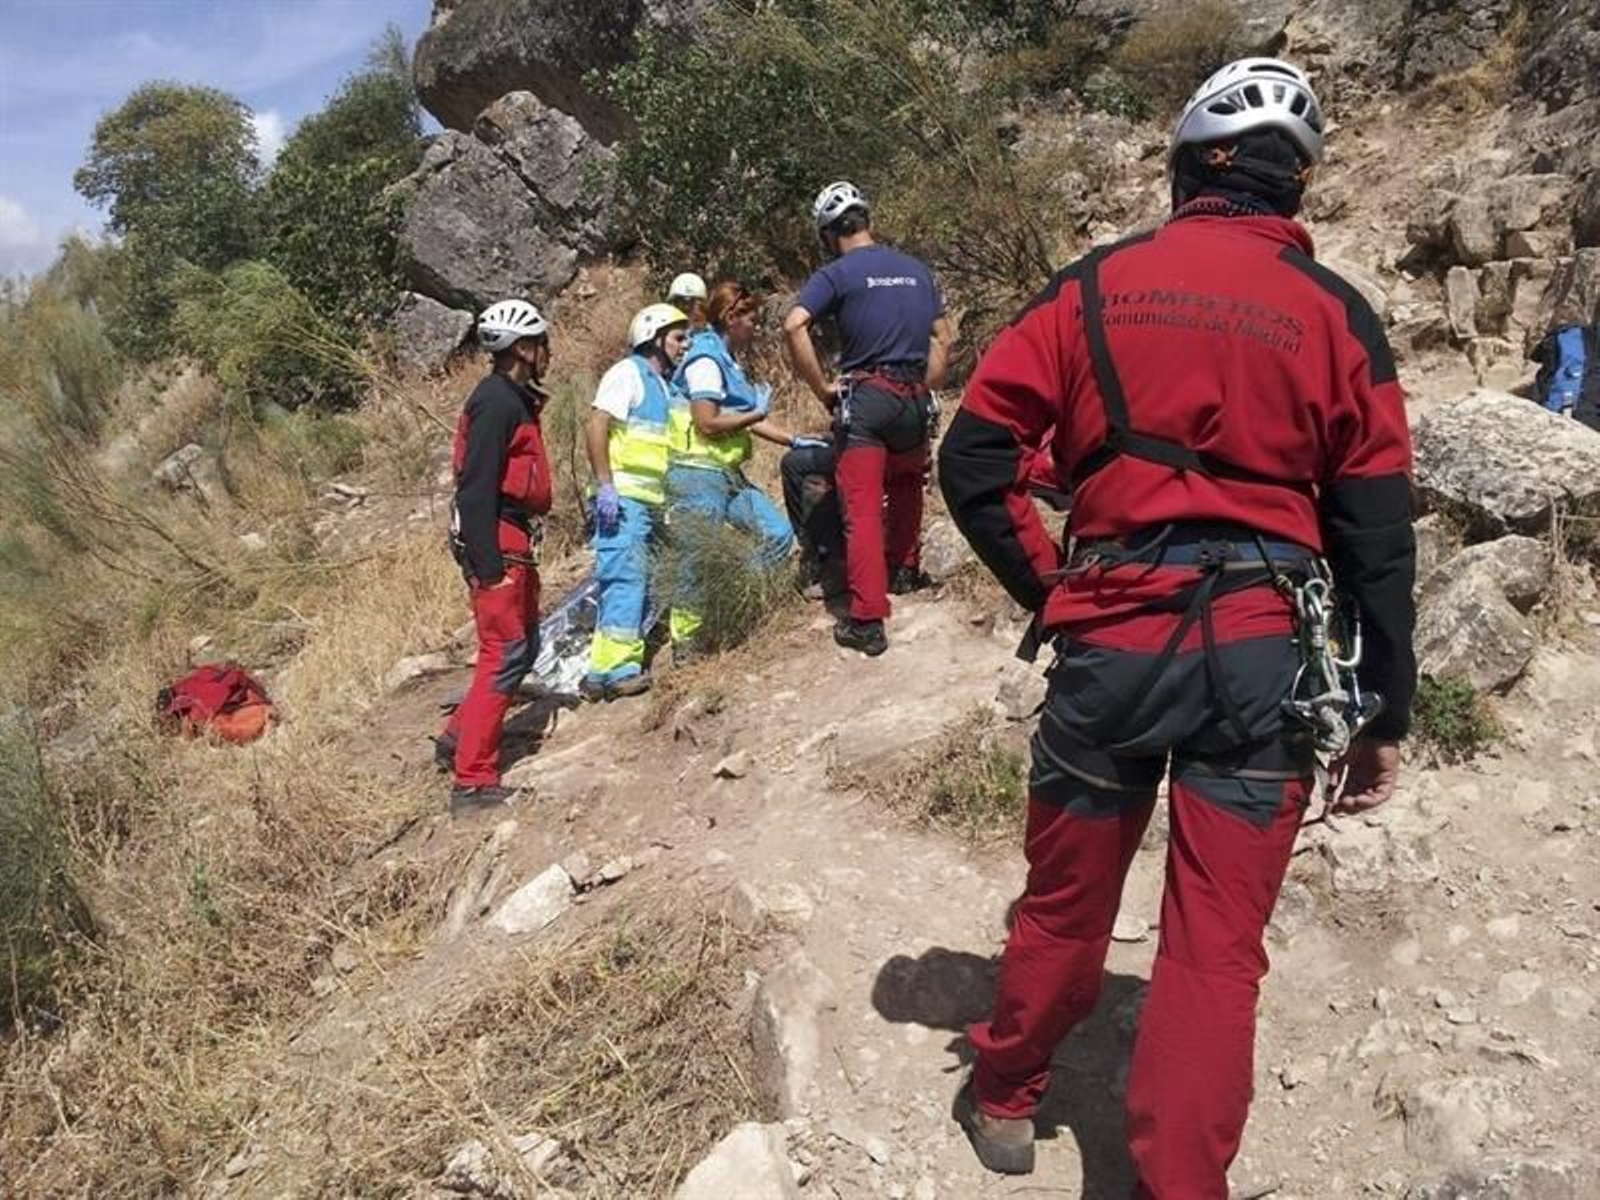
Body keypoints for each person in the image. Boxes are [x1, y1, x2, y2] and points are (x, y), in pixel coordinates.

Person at [937, 58, 1416, 1193]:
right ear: (1292, 187)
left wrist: (1052, 587)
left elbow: (974, 457)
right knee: (1213, 953)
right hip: (1264, 657)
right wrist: (1383, 705)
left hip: (1110, 639)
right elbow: (1377, 534)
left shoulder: (1092, 288)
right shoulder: (1340, 315)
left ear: (1186, 167)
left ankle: (1006, 1094)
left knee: (1067, 899)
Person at [783, 180, 953, 656]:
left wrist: (820, 388)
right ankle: (904, 570)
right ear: (867, 221)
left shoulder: (836, 274)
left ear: (828, 233)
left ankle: (867, 619)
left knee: (860, 508)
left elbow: (794, 323)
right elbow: (945, 337)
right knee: (904, 487)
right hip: (914, 400)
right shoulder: (915, 269)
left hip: (867, 399)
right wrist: (929, 385)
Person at [438, 299, 555, 817]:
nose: (548, 353)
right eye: (542, 344)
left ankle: (456, 739)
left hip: (511, 540)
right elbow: (476, 487)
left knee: (522, 648)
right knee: (504, 653)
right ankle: (473, 781)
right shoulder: (496, 402)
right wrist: (488, 568)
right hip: (498, 545)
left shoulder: (511, 398)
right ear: (522, 350)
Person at [666, 281, 798, 655]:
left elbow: (746, 418)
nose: (755, 327)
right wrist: (756, 412)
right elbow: (707, 421)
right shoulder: (706, 361)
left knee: (777, 533)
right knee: (694, 558)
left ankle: (732, 602)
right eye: (751, 320)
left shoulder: (726, 360)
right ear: (731, 318)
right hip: (695, 474)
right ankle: (688, 642)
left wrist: (792, 440)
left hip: (726, 475)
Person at [580, 303, 689, 701]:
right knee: (625, 579)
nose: (684, 345)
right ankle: (617, 669)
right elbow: (596, 422)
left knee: (638, 580)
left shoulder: (663, 385)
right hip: (624, 499)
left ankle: (602, 670)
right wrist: (605, 484)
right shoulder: (627, 373)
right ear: (655, 339)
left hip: (652, 501)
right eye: (678, 338)